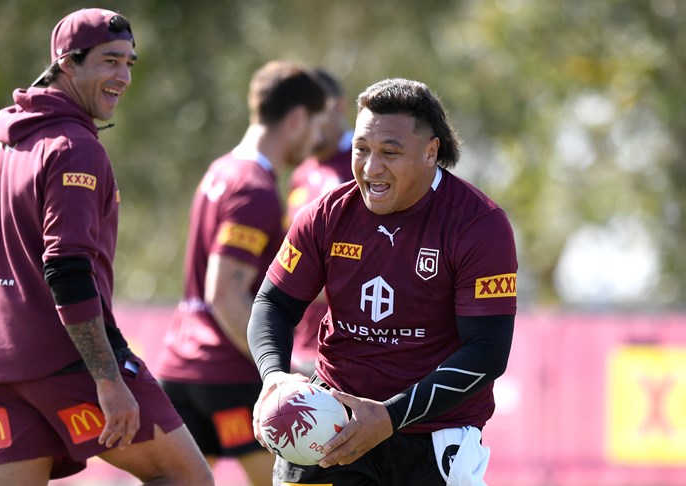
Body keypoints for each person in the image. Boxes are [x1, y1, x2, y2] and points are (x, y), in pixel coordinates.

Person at [0, 8, 212, 485]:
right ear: (68, 63)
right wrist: (108, 376)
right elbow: (66, 268)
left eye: (128, 63)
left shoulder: (7, 143)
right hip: (67, 358)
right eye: (109, 61)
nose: (122, 77)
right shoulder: (74, 147)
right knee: (187, 478)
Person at [248, 78, 517, 485]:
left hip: (430, 441)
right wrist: (274, 376)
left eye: (390, 152)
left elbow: (488, 352)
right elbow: (273, 304)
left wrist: (391, 416)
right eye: (362, 149)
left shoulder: (478, 225)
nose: (371, 168)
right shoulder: (326, 215)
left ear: (431, 153)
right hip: (331, 431)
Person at [154, 61, 327, 486]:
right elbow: (225, 291)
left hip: (181, 368)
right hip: (228, 374)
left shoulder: (221, 170)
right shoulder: (254, 188)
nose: (315, 141)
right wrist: (280, 369)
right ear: (298, 118)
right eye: (315, 126)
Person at [284, 68, 354, 376]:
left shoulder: (365, 168)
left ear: (339, 106)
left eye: (317, 113)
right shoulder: (301, 173)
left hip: (347, 353)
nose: (308, 125)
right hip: (299, 352)